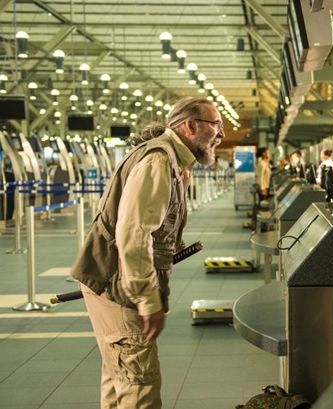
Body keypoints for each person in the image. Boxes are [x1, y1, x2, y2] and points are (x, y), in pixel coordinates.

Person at [71, 97, 224, 408]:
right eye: (215, 125)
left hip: (112, 281)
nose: (220, 134)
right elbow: (134, 234)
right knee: (140, 387)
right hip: (116, 285)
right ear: (190, 126)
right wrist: (146, 297)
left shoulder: (172, 160)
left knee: (120, 380)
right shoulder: (159, 162)